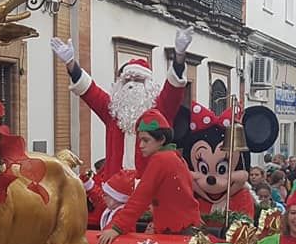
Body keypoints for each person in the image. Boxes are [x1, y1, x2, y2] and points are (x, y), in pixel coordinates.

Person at [51, 28, 192, 181]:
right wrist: (71, 63)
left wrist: (179, 57)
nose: (131, 85)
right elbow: (90, 90)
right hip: (114, 185)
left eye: (138, 80)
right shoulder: (113, 111)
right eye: (127, 80)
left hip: (149, 185)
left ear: (148, 85)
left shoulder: (160, 110)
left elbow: (173, 89)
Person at [98, 109, 202, 244]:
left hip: (175, 231)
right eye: (140, 140)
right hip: (187, 228)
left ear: (162, 140)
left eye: (146, 140)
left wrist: (116, 228)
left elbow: (140, 197)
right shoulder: (176, 156)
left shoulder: (160, 159)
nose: (141, 145)